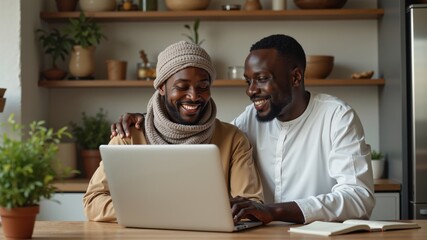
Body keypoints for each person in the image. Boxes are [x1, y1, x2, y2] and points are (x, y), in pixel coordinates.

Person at [110, 34, 375, 224]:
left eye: (262, 80)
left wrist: (275, 211)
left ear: (295, 77)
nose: (250, 91)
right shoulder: (249, 119)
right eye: (248, 81)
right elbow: (202, 136)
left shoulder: (336, 116)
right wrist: (150, 119)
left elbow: (359, 197)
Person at [83, 41, 264, 222]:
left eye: (203, 86)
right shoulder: (129, 136)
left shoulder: (233, 139)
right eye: (182, 86)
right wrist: (160, 212)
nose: (193, 96)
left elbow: (251, 206)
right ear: (162, 86)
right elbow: (93, 201)